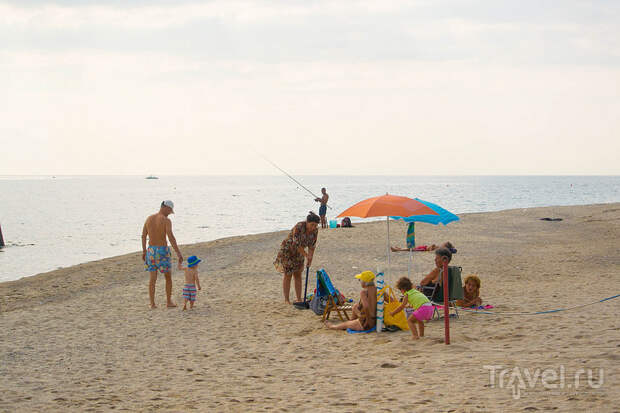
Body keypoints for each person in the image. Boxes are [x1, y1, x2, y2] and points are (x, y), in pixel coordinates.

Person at [142, 200, 183, 309]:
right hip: (162, 251)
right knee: (168, 277)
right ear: (165, 207)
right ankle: (168, 302)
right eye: (170, 210)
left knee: (152, 278)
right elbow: (170, 237)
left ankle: (152, 304)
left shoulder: (149, 218)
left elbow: (143, 236)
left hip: (151, 251)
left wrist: (144, 251)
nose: (170, 213)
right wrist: (178, 253)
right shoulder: (166, 221)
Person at [274, 211, 320, 304]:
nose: (313, 227)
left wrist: (310, 258)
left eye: (315, 225)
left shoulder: (315, 230)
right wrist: (306, 255)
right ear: (307, 222)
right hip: (288, 250)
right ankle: (287, 300)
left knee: (298, 274)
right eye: (312, 225)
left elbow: (312, 245)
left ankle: (299, 298)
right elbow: (296, 243)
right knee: (288, 274)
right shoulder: (299, 227)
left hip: (300, 252)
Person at [391, 241, 456, 253]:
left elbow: (430, 250)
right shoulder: (440, 247)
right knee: (411, 248)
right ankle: (399, 249)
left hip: (424, 249)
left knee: (411, 249)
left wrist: (432, 247)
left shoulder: (440, 249)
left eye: (443, 244)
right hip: (424, 247)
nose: (442, 244)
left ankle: (397, 250)